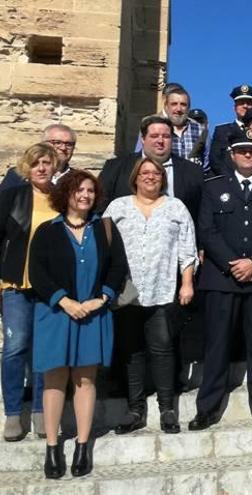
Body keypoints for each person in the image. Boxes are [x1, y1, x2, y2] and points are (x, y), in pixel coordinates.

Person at [188, 129, 252, 431]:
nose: (248, 155)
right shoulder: (213, 185)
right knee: (217, 345)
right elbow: (206, 229)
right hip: (222, 277)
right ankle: (207, 407)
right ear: (231, 155)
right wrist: (234, 264)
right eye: (243, 151)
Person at [29, 170, 128, 478]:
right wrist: (65, 300)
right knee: (54, 379)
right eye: (79, 190)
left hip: (93, 312)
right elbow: (37, 272)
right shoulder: (47, 230)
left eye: (89, 190)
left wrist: (102, 298)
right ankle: (52, 445)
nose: (85, 195)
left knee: (86, 379)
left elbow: (117, 267)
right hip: (57, 314)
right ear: (66, 195)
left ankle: (83, 445)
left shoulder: (104, 229)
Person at [104, 158, 198, 435]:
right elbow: (105, 246)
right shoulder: (118, 206)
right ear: (135, 177)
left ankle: (167, 409)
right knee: (131, 352)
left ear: (162, 178)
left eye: (156, 173)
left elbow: (187, 248)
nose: (150, 177)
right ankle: (135, 410)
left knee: (162, 348)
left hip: (162, 289)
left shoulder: (175, 207)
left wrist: (187, 283)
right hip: (127, 292)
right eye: (145, 173)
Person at [0, 143, 57, 442]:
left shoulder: (61, 199)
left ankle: (39, 410)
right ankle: (12, 413)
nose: (42, 168)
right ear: (27, 166)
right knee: (16, 346)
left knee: (43, 351)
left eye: (47, 163)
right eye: (36, 163)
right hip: (16, 286)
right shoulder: (11, 196)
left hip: (49, 288)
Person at [99, 115, 204, 223]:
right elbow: (99, 208)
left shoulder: (193, 172)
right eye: (154, 136)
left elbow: (201, 215)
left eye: (166, 136)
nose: (160, 141)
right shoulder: (116, 168)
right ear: (143, 139)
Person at [135, 86, 208, 170]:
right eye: (174, 104)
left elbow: (207, 161)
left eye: (183, 105)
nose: (178, 109)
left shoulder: (200, 129)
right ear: (166, 106)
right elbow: (139, 156)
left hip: (193, 180)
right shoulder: (151, 125)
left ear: (188, 108)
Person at [0, 124, 77, 191]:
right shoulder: (18, 174)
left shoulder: (79, 179)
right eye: (57, 143)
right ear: (43, 144)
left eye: (69, 144)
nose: (63, 148)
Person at [208, 84, 252, 174]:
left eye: (249, 103)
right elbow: (215, 160)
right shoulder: (222, 131)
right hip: (227, 183)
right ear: (234, 108)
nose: (245, 106)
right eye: (241, 103)